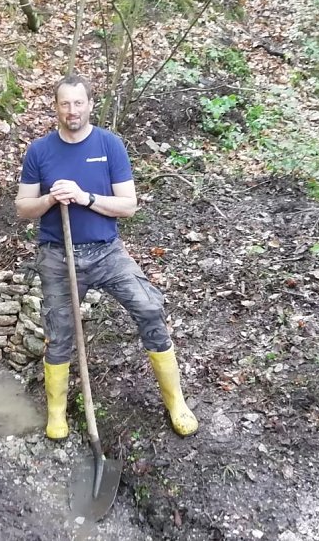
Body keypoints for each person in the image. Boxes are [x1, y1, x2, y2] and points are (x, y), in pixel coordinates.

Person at [15, 74, 198, 440]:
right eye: (65, 103)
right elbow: (23, 208)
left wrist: (86, 198)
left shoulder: (109, 145)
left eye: (78, 103)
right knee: (59, 331)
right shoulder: (40, 151)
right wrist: (51, 198)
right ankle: (56, 414)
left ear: (90, 105)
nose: (72, 110)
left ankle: (176, 401)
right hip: (57, 254)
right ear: (56, 107)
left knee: (148, 308)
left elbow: (128, 206)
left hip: (106, 252)